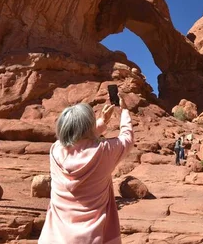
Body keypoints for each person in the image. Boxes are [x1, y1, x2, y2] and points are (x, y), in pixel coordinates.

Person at [38, 98, 133, 244]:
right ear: (89, 126)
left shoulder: (55, 150)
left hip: (54, 237)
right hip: (92, 237)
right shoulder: (104, 151)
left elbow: (77, 136)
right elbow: (127, 137)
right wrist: (124, 111)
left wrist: (102, 121)